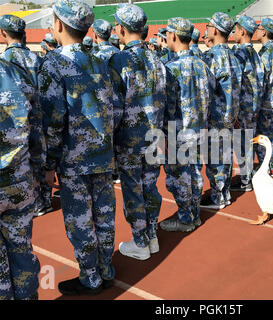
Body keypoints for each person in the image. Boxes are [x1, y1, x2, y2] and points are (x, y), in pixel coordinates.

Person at [38, 0, 123, 295]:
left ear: (58, 25)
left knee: (80, 221)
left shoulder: (54, 63)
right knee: (104, 215)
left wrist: (48, 165)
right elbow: (116, 108)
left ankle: (90, 277)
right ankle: (105, 268)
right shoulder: (99, 60)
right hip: (102, 154)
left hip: (74, 159)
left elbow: (53, 119)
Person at [110, 4, 167, 260]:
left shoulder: (119, 60)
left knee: (133, 190)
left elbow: (114, 105)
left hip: (130, 139)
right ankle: (151, 235)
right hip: (154, 136)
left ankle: (140, 241)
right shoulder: (158, 59)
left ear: (121, 28)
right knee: (150, 187)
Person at [160, 17, 215, 232]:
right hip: (199, 129)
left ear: (173, 35)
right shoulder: (202, 65)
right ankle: (194, 215)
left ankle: (185, 219)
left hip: (179, 133)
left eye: (167, 34)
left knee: (178, 178)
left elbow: (168, 107)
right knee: (194, 174)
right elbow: (212, 90)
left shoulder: (171, 68)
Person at [0, 58, 45, 300]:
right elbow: (37, 131)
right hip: (20, 180)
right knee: (22, 250)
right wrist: (39, 170)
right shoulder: (18, 75)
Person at [200, 12, 242, 210]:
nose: (207, 29)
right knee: (225, 154)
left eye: (208, 26)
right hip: (229, 115)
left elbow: (205, 89)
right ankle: (223, 194)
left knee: (215, 157)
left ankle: (218, 197)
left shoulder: (210, 57)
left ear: (215, 30)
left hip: (215, 116)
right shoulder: (234, 56)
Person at [230, 15, 263, 192]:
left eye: (235, 31)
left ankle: (245, 181)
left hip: (242, 108)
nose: (234, 34)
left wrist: (233, 111)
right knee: (248, 143)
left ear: (242, 31)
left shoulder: (240, 54)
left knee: (241, 144)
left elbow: (235, 86)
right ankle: (247, 177)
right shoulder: (255, 54)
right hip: (253, 106)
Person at [255, 18, 273, 174]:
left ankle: (265, 168)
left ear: (264, 32)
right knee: (270, 134)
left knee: (264, 136)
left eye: (259, 28)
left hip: (267, 100)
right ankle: (270, 165)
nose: (257, 31)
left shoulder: (266, 51)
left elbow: (263, 79)